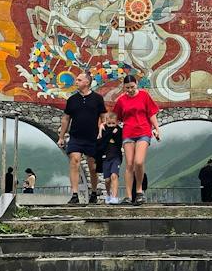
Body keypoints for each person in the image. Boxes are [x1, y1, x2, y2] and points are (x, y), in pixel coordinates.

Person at [112, 74, 161, 205]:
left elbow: (151, 113)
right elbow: (117, 117)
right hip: (128, 132)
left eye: (132, 87)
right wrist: (113, 127)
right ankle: (128, 196)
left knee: (138, 162)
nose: (130, 90)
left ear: (136, 84)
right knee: (129, 164)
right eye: (127, 88)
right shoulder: (121, 100)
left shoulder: (144, 96)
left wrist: (156, 128)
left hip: (144, 131)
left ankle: (139, 191)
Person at [59, 82, 108, 204]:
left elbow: (104, 117)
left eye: (79, 80)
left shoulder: (97, 98)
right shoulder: (72, 99)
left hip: (93, 138)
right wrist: (61, 137)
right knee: (74, 161)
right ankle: (75, 194)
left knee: (93, 167)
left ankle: (94, 192)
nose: (76, 82)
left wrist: (104, 129)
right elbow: (66, 118)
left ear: (87, 82)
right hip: (76, 137)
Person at [98, 114, 124, 204]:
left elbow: (119, 141)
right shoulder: (103, 130)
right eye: (109, 123)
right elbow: (101, 142)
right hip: (106, 158)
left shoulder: (120, 130)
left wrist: (112, 134)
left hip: (116, 157)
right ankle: (108, 194)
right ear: (106, 122)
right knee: (107, 180)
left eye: (113, 123)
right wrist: (109, 132)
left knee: (114, 175)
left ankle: (114, 197)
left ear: (117, 122)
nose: (111, 125)